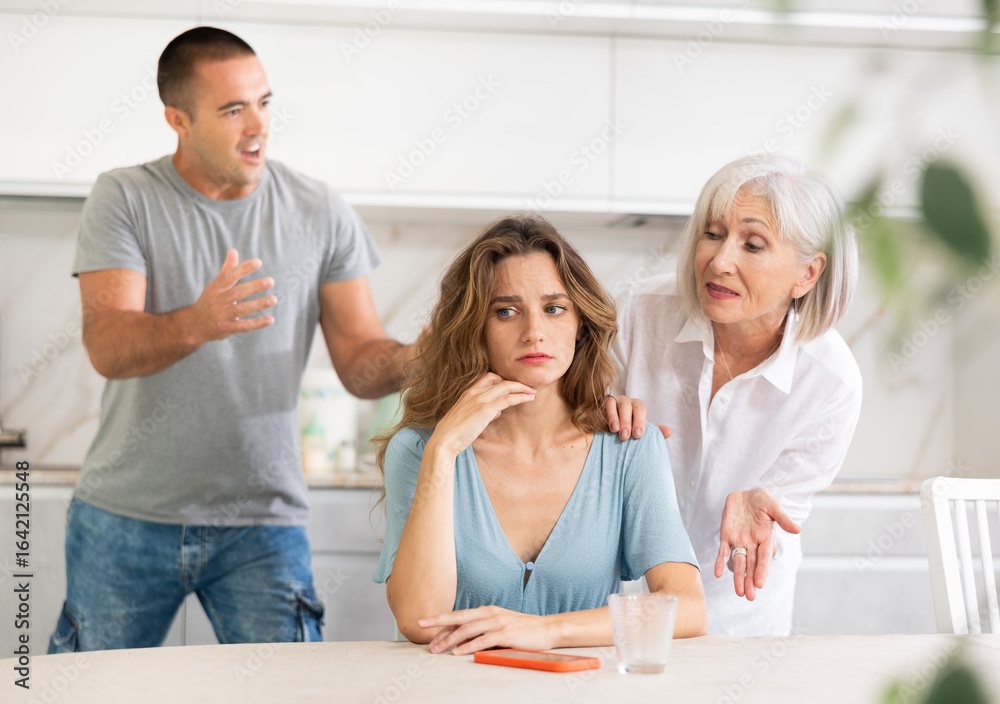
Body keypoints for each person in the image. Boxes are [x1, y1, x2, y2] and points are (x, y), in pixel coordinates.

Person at [49, 26, 413, 652]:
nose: (259, 125)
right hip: (126, 516)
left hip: (262, 522)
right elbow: (107, 344)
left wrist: (416, 360)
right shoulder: (126, 197)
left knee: (288, 690)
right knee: (89, 689)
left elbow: (359, 362)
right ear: (178, 119)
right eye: (233, 109)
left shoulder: (319, 209)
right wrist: (199, 321)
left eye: (264, 102)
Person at [372, 215, 706, 654]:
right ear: (475, 329)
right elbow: (420, 619)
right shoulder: (421, 450)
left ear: (580, 324)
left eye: (554, 308)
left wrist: (547, 631)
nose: (534, 333)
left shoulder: (629, 447)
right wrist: (444, 449)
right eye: (505, 311)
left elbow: (688, 609)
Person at [608, 153, 862, 636]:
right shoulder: (639, 313)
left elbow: (786, 505)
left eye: (753, 244)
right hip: (618, 612)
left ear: (807, 273)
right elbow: (568, 436)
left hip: (739, 624)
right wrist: (593, 421)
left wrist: (768, 504)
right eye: (712, 234)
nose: (720, 262)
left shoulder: (830, 381)